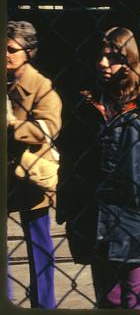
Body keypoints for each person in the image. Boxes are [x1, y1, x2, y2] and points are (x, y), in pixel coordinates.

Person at [56, 27, 140, 309]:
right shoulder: (87, 104)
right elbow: (71, 160)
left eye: (112, 57)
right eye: (100, 56)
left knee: (135, 303)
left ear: (130, 59)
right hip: (98, 221)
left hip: (138, 222)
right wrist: (69, 207)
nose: (102, 63)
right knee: (109, 302)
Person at [6, 21, 62, 308]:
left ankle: (44, 304)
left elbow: (50, 127)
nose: (6, 54)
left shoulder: (41, 85)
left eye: (11, 49)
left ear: (28, 51)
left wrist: (13, 127)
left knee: (39, 243)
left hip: (29, 173)